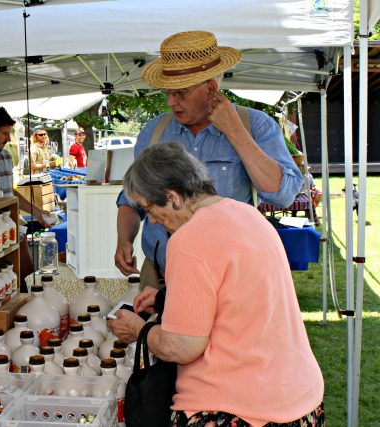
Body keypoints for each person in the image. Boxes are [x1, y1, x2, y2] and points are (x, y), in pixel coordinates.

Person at [107, 142, 324, 427]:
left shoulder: (189, 240)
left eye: (150, 208)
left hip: (237, 408)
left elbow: (182, 347)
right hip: (297, 395)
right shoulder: (246, 214)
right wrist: (165, 298)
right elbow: (237, 292)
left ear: (172, 197)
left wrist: (141, 331)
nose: (152, 220)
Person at [114, 30, 304, 287]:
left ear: (211, 89)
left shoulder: (256, 126)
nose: (171, 101)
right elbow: (131, 200)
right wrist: (124, 240)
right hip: (161, 276)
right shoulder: (154, 131)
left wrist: (234, 130)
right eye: (168, 92)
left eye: (180, 93)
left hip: (229, 280)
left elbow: (282, 195)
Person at [0, 107, 53, 289]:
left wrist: (37, 211)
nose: (8, 139)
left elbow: (9, 191)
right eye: (4, 134)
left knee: (27, 276)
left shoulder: (5, 156)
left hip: (10, 222)